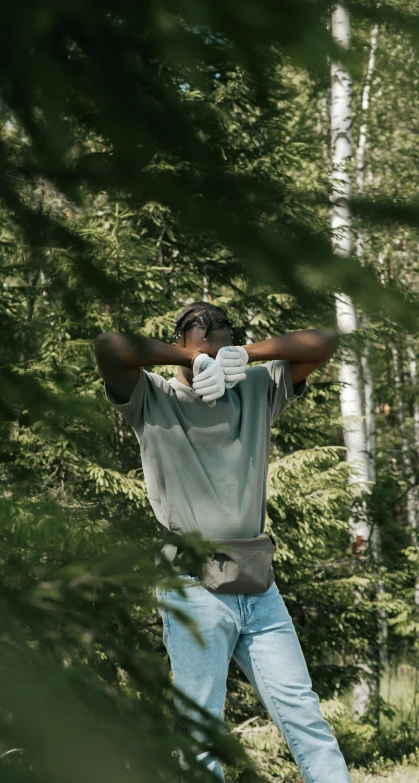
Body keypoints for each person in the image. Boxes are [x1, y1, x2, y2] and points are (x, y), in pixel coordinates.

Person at [94, 302, 351, 783]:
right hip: (191, 587)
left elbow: (324, 341)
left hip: (257, 584)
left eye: (218, 353)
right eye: (199, 355)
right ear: (177, 356)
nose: (210, 365)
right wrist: (186, 360)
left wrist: (245, 355)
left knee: (304, 716)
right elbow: (109, 348)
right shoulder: (151, 397)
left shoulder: (256, 389)